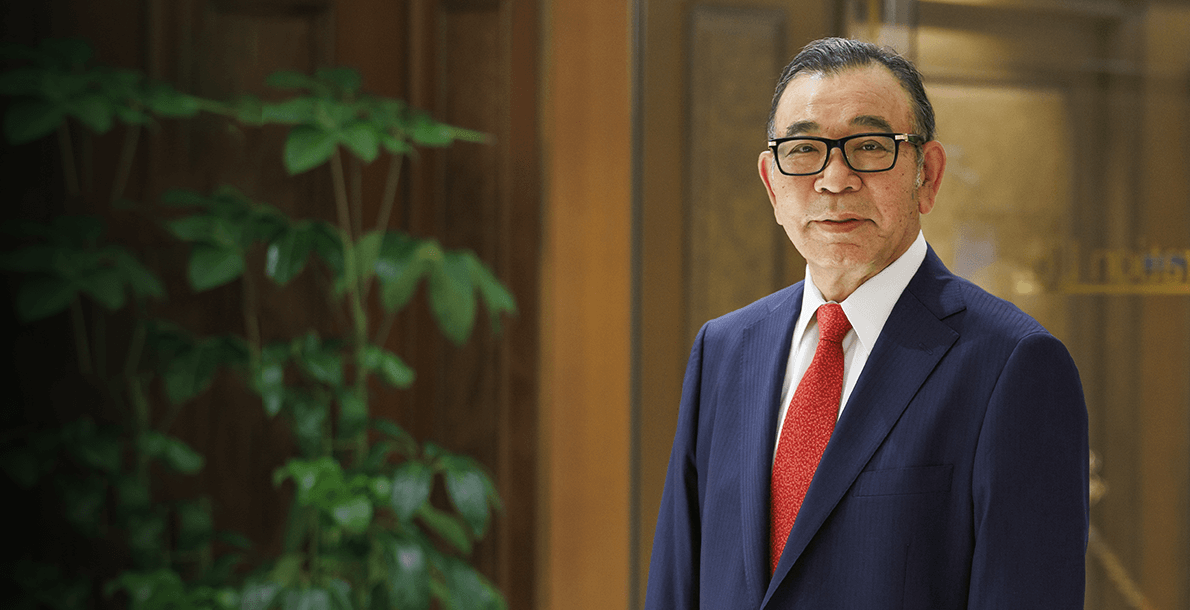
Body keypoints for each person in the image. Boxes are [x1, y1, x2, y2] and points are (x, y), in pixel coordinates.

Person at [644, 37, 1088, 609]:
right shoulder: (724, 350)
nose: (834, 179)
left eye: (870, 146)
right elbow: (676, 586)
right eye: (803, 149)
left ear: (927, 175)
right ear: (772, 184)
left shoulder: (1014, 365)